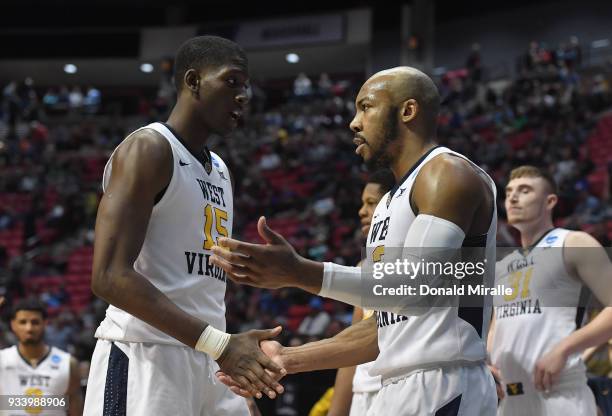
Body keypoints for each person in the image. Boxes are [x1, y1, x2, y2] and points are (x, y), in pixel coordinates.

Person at [212, 66, 499, 415]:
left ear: (408, 111)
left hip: (444, 383)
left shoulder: (447, 173)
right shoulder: (388, 204)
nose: (354, 122)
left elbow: (412, 287)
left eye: (366, 107)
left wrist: (299, 272)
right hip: (393, 388)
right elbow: (383, 330)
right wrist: (284, 359)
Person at [83, 36, 284, 416]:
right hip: (147, 356)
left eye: (246, 86)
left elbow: (197, 286)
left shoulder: (221, 169)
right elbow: (108, 276)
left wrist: (227, 367)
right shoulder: (149, 148)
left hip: (209, 356)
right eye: (232, 82)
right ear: (193, 81)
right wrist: (220, 346)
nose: (244, 96)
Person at [488, 165, 612, 415]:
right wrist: (487, 363)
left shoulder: (573, 242)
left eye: (524, 191)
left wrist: (565, 348)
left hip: (559, 394)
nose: (512, 197)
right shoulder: (501, 267)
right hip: (508, 399)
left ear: (550, 201)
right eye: (509, 191)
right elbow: (496, 327)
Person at [327, 169, 394, 416]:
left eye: (371, 203)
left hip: (397, 388)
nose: (361, 211)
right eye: (362, 203)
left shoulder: (415, 261)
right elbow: (350, 353)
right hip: (362, 394)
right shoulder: (363, 267)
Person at [0, 299, 83, 416]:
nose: (29, 328)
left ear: (45, 323)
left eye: (35, 322)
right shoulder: (2, 360)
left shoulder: (68, 364)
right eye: (23, 322)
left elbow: (76, 412)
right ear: (13, 325)